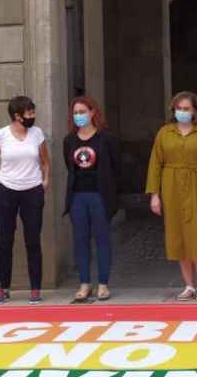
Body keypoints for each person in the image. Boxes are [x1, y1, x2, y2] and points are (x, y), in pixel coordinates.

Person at [145, 91, 197, 300]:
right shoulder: (164, 133)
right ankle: (188, 285)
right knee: (178, 234)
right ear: (174, 110)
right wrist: (155, 194)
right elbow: (155, 164)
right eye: (179, 108)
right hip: (172, 186)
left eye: (186, 108)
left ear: (195, 110)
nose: (182, 112)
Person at [0, 95, 51, 304]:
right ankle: (3, 288)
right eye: (29, 113)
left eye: (33, 112)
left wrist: (45, 181)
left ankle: (35, 288)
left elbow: (44, 161)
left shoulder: (37, 133)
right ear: (17, 116)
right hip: (7, 192)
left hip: (33, 191)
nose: (33, 116)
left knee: (33, 240)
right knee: (5, 241)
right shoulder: (1, 135)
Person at [63, 96, 119, 302]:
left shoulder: (106, 138)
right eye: (76, 113)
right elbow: (69, 167)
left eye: (82, 112)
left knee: (102, 239)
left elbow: (115, 167)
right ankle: (84, 284)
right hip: (78, 196)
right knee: (80, 240)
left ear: (93, 112)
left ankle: (103, 284)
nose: (79, 116)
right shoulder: (69, 140)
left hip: (100, 196)